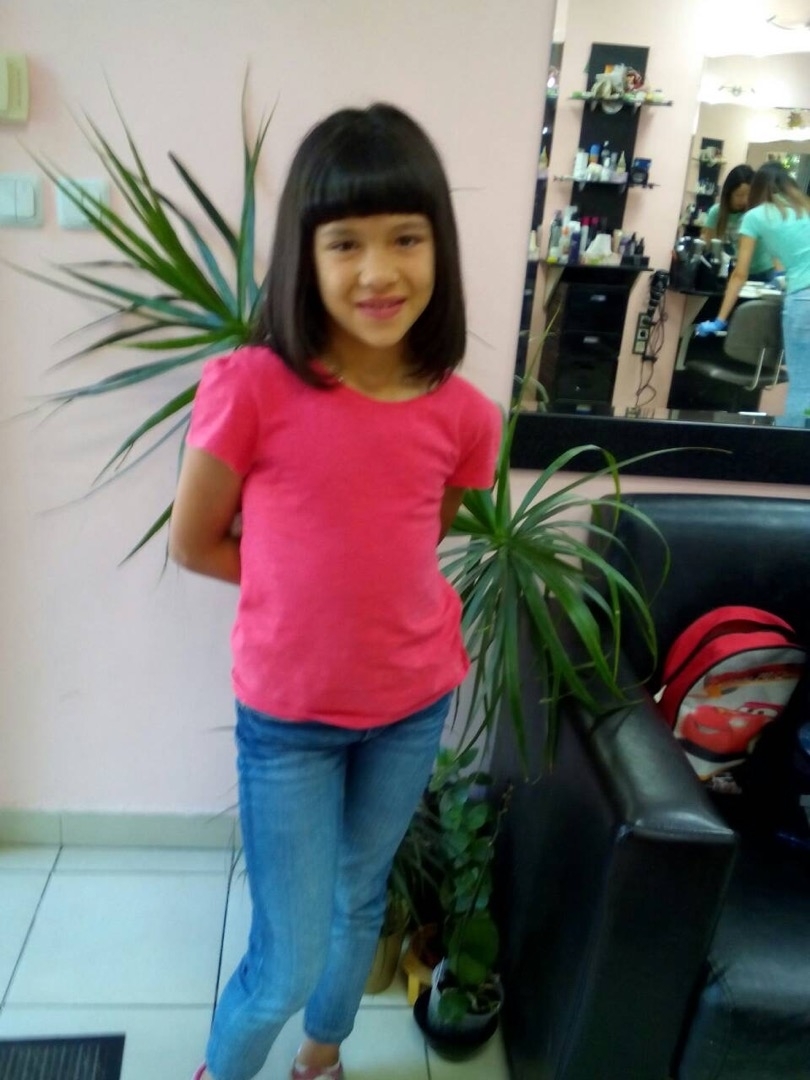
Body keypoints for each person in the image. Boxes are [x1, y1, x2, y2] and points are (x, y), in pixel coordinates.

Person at [169, 103, 502, 1080]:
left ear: (439, 247)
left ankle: (320, 1061)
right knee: (284, 958)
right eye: (345, 242)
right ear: (304, 256)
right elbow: (196, 542)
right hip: (289, 721)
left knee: (360, 902)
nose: (377, 270)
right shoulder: (251, 386)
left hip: (411, 706)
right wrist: (295, 584)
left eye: (406, 237)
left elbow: (414, 543)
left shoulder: (465, 415)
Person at [696, 161, 810, 416]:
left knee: (803, 387)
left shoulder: (756, 216)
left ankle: (796, 441)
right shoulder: (804, 208)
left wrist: (720, 320)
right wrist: (781, 275)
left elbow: (739, 274)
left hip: (804, 298)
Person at [700, 163, 774, 282]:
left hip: (762, 271)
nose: (744, 200)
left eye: (748, 195)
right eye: (739, 195)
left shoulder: (755, 213)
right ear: (728, 193)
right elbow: (707, 243)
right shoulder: (716, 212)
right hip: (732, 271)